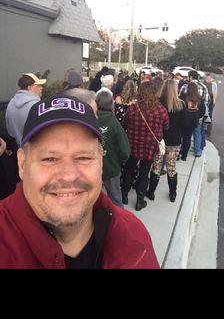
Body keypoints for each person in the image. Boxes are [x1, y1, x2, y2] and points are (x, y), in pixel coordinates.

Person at [0, 93, 159, 269]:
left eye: (83, 157)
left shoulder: (133, 235)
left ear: (100, 162)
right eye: (49, 159)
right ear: (22, 164)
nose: (68, 175)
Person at [122, 81, 169, 211]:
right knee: (144, 173)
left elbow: (124, 125)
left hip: (132, 146)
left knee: (129, 170)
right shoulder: (161, 110)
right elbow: (166, 127)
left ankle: (124, 196)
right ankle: (139, 201)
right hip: (149, 148)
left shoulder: (132, 109)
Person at [146, 79, 185, 203]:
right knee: (171, 166)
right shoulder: (181, 105)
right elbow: (184, 124)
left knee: (156, 166)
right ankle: (173, 193)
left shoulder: (158, 103)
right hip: (174, 141)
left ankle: (151, 192)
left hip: (160, 140)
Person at [96, 90, 130, 207]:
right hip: (111, 168)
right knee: (115, 199)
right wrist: (118, 163)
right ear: (111, 104)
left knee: (94, 199)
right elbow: (124, 150)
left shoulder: (90, 120)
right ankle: (119, 222)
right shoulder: (114, 122)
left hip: (93, 168)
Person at [5, 73, 47, 147]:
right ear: (29, 87)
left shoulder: (11, 104)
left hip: (19, 151)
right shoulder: (37, 106)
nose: (41, 88)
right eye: (38, 85)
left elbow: (10, 131)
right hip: (36, 151)